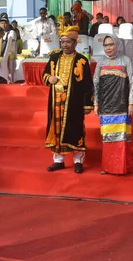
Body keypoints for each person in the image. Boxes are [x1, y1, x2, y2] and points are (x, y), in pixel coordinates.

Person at [43, 25, 93, 174]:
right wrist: (49, 78)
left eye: (68, 42)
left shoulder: (82, 61)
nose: (65, 45)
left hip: (74, 101)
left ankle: (78, 161)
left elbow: (88, 85)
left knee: (75, 130)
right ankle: (58, 161)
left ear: (75, 43)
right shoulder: (54, 58)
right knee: (56, 130)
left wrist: (87, 104)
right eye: (63, 42)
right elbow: (44, 74)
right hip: (55, 100)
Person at [93, 35, 133, 175]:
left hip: (122, 105)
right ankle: (108, 167)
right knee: (107, 137)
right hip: (105, 107)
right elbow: (96, 84)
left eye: (111, 44)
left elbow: (132, 83)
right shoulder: (101, 62)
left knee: (121, 137)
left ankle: (121, 167)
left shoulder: (126, 60)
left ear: (117, 44)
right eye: (105, 45)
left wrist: (132, 103)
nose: (108, 47)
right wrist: (96, 104)